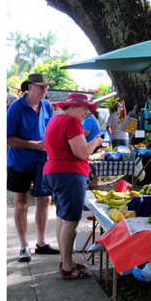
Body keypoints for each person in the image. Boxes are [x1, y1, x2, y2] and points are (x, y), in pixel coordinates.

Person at [42, 91, 99, 277]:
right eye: (84, 108)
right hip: (69, 174)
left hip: (54, 172)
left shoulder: (55, 120)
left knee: (62, 218)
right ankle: (67, 266)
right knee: (71, 220)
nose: (87, 112)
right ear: (72, 107)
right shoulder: (71, 122)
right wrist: (96, 142)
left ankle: (65, 259)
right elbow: (82, 153)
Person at [6, 74, 57, 263]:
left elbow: (50, 132)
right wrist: (36, 145)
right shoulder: (15, 108)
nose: (45, 90)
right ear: (30, 87)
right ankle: (24, 246)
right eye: (41, 87)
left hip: (43, 162)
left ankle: (42, 243)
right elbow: (8, 139)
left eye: (46, 87)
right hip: (20, 162)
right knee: (21, 204)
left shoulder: (48, 106)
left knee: (45, 200)